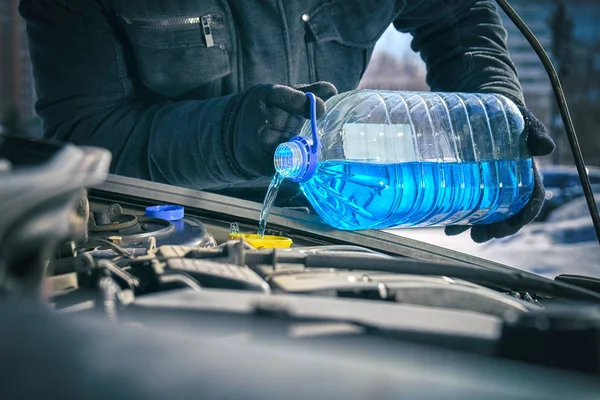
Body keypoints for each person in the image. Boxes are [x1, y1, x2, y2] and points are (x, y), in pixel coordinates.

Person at [20, 0, 555, 242]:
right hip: (159, 237)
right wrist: (228, 137)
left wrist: (494, 113)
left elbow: (459, 15)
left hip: (327, 227)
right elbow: (83, 138)